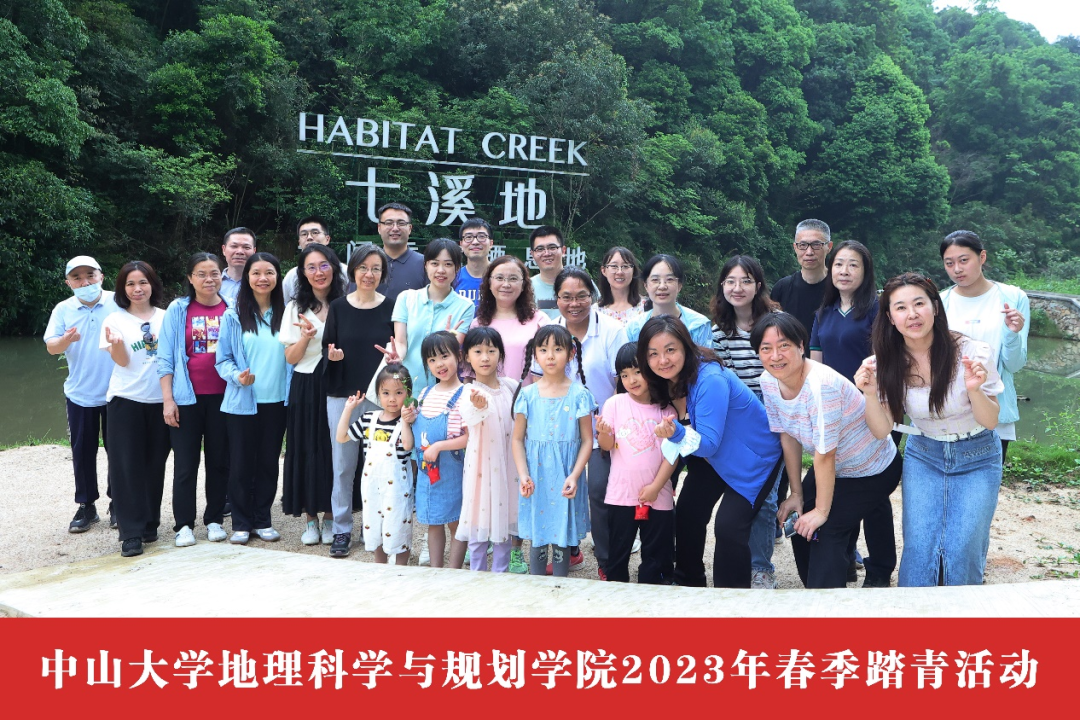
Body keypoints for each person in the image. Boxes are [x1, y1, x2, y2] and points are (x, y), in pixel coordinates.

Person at [857, 273, 1004, 587]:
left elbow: (991, 421)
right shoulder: (884, 363)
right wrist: (869, 394)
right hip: (925, 455)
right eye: (901, 307)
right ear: (890, 317)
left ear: (935, 308)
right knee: (920, 547)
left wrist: (975, 390)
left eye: (919, 304)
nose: (912, 314)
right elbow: (882, 430)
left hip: (977, 455)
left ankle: (961, 615)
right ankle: (914, 616)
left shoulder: (972, 353)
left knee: (961, 548)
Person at [753, 312, 901, 589]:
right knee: (798, 522)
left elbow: (824, 455)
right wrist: (796, 494)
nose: (776, 356)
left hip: (872, 468)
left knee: (825, 528)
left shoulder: (821, 386)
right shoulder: (768, 381)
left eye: (784, 345)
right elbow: (788, 435)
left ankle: (827, 603)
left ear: (801, 346)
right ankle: (815, 588)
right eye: (766, 348)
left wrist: (821, 511)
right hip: (837, 468)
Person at [638, 315, 782, 588]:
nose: (663, 360)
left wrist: (676, 433)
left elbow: (708, 443)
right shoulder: (662, 380)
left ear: (685, 346)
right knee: (688, 512)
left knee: (729, 526)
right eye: (653, 353)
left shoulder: (709, 378)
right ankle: (689, 583)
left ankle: (730, 596)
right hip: (711, 456)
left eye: (670, 350)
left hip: (753, 456)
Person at [809, 240, 892, 586]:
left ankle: (880, 569)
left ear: (865, 271)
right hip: (835, 413)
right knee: (842, 482)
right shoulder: (824, 312)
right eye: (839, 264)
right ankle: (844, 559)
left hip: (871, 408)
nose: (844, 271)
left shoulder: (876, 310)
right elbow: (815, 364)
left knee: (874, 493)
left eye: (853, 264)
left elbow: (885, 360)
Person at [709, 255, 782, 589]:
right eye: (731, 281)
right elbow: (724, 380)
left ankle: (761, 568)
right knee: (743, 492)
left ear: (758, 286)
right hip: (739, 419)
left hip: (773, 414)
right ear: (722, 286)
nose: (737, 288)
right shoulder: (718, 331)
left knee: (764, 497)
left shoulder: (774, 323)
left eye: (746, 281)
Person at [551, 266, 628, 578]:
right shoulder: (549, 330)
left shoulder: (612, 330)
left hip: (602, 429)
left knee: (598, 490)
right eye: (566, 297)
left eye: (582, 296)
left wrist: (612, 424)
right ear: (556, 299)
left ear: (593, 297)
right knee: (558, 489)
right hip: (560, 429)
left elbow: (623, 382)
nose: (574, 303)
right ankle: (568, 551)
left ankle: (607, 561)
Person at [323, 244, 395, 558]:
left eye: (376, 268)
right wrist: (334, 356)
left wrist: (395, 357)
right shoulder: (338, 307)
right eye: (363, 267)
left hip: (380, 400)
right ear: (353, 271)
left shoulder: (391, 307)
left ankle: (374, 527)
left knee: (378, 465)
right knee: (342, 466)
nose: (369, 274)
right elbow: (328, 347)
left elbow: (397, 350)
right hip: (344, 397)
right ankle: (341, 530)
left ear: (383, 273)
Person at [215, 252, 290, 545]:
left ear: (277, 277)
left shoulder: (287, 313)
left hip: (278, 401)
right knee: (241, 464)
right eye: (256, 273)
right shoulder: (233, 315)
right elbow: (223, 360)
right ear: (247, 278)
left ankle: (262, 519)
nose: (263, 278)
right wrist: (237, 377)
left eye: (269, 272)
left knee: (269, 463)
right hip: (243, 403)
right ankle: (241, 522)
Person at [158, 252, 230, 547]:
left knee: (219, 462)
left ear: (222, 276)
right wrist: (168, 400)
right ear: (190, 278)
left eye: (214, 273)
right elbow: (165, 358)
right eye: (201, 274)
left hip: (224, 399)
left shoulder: (232, 307)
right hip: (187, 399)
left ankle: (214, 519)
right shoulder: (178, 309)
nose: (209, 279)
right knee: (186, 464)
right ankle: (184, 524)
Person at [511, 325, 595, 577]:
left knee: (562, 537)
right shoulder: (527, 395)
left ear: (570, 353)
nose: (550, 356)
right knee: (537, 537)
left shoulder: (579, 395)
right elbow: (517, 439)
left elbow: (587, 440)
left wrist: (575, 475)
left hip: (566, 477)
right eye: (543, 349)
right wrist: (523, 474)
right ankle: (537, 588)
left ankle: (560, 587)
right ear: (535, 354)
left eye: (558, 349)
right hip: (536, 478)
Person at [99, 261, 170, 558]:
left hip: (161, 401)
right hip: (126, 401)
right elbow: (123, 361)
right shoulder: (114, 320)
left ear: (152, 284)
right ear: (122, 288)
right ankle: (130, 532)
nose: (137, 289)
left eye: (143, 282)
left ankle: (150, 523)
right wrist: (116, 344)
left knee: (155, 464)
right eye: (130, 284)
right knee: (126, 466)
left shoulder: (167, 317)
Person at [939, 230, 1029, 459]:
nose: (957, 269)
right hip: (951, 409)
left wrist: (1012, 334)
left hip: (995, 408)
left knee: (986, 479)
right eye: (949, 263)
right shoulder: (940, 302)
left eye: (963, 260)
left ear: (982, 257)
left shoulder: (1013, 298)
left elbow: (1015, 365)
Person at [45, 255, 118, 533]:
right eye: (77, 277)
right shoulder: (63, 309)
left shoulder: (118, 302)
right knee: (82, 451)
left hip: (118, 392)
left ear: (101, 276)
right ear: (68, 283)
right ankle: (87, 505)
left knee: (119, 450)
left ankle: (118, 502)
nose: (85, 282)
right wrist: (65, 340)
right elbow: (51, 346)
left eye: (90, 275)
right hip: (80, 393)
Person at [280, 244, 345, 545]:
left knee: (335, 449)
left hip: (338, 383)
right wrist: (305, 338)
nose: (319, 272)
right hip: (306, 384)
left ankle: (332, 515)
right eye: (311, 267)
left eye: (324, 265)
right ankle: (310, 519)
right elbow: (290, 358)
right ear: (303, 273)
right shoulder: (295, 308)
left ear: (334, 267)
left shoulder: (347, 303)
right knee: (306, 448)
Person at [596, 342, 676, 584]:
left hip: (658, 495)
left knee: (656, 556)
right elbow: (607, 446)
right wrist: (604, 433)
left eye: (638, 371)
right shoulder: (615, 404)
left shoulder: (666, 409)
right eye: (624, 375)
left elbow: (672, 455)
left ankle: (651, 595)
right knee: (618, 553)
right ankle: (617, 595)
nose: (631, 380)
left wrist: (655, 488)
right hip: (622, 494)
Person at [336, 363, 416, 565]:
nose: (392, 399)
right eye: (386, 393)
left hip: (397, 489)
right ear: (378, 394)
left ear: (407, 394)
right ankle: (379, 567)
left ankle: (401, 568)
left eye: (399, 393)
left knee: (398, 526)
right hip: (372, 487)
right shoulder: (368, 419)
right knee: (375, 526)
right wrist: (348, 409)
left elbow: (407, 445)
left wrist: (406, 421)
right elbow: (341, 437)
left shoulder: (408, 422)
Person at [456, 327, 520, 572]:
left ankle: (501, 574)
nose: (485, 357)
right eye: (478, 351)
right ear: (467, 357)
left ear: (500, 354)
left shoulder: (511, 386)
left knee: (504, 519)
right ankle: (477, 575)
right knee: (479, 517)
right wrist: (479, 406)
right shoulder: (468, 392)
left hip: (508, 463)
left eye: (491, 351)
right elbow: (470, 418)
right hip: (481, 467)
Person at [404, 331, 470, 569]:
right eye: (432, 360)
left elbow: (469, 438)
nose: (439, 364)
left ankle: (453, 570)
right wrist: (407, 419)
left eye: (444, 356)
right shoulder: (425, 394)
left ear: (458, 356)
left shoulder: (465, 394)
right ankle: (436, 570)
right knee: (433, 521)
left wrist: (440, 446)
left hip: (452, 470)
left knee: (455, 522)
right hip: (427, 472)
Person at [392, 238, 475, 389]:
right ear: (426, 265)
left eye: (448, 264)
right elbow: (401, 342)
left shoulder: (465, 306)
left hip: (441, 388)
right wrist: (398, 356)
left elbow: (453, 351)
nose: (441, 270)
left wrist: (448, 340)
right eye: (435, 264)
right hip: (405, 387)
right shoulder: (406, 298)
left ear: (457, 268)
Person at [472, 255, 549, 381]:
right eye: (499, 278)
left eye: (513, 278)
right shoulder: (478, 324)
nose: (506, 284)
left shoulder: (539, 321)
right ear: (489, 283)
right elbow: (470, 375)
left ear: (523, 285)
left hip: (529, 393)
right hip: (487, 394)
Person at [625, 254, 712, 347]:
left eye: (669, 279)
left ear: (679, 285)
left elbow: (707, 356)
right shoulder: (634, 328)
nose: (662, 286)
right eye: (655, 280)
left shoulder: (698, 325)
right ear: (645, 285)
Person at [770, 218, 833, 342]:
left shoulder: (839, 287)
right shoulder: (782, 288)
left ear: (829, 247)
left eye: (816, 245)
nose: (809, 252)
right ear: (795, 247)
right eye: (803, 245)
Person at [281, 216, 348, 305]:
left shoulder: (346, 272)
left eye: (315, 232)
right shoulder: (291, 276)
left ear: (327, 239)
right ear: (299, 243)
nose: (309, 237)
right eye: (304, 234)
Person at [375, 203, 427, 302]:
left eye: (401, 223)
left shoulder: (425, 264)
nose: (395, 228)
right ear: (379, 228)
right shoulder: (367, 264)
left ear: (410, 228)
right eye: (389, 223)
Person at [597, 246, 646, 326]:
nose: (619, 272)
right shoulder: (595, 311)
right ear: (604, 270)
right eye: (614, 266)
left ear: (633, 271)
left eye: (625, 266)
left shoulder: (646, 307)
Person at [454, 217, 494, 310]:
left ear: (491, 243)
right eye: (468, 237)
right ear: (461, 244)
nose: (475, 242)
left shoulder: (502, 278)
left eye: (481, 236)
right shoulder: (453, 278)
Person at [528, 225, 566, 319]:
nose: (547, 253)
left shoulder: (581, 283)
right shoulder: (525, 288)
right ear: (532, 254)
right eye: (540, 249)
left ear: (563, 250)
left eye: (552, 247)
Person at [219, 227, 257, 305]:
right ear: (224, 249)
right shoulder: (212, 283)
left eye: (246, 247)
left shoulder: (261, 284)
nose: (240, 252)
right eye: (234, 246)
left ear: (254, 251)